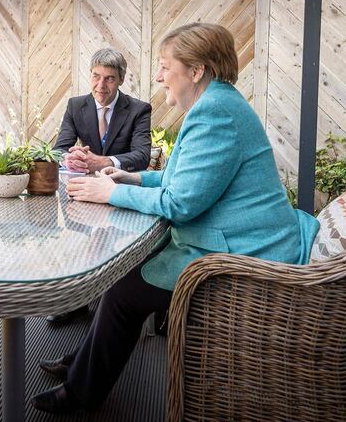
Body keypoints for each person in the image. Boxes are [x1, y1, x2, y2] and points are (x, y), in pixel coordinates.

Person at [31, 23, 320, 413]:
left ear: (196, 70)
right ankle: (82, 364)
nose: (160, 75)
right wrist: (131, 176)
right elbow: (180, 177)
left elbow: (181, 203)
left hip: (245, 254)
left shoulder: (215, 113)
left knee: (122, 290)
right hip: (247, 236)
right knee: (125, 273)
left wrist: (110, 192)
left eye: (166, 66)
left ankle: (80, 393)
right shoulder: (218, 103)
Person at [48, 47, 151, 325]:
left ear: (120, 80)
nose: (100, 86)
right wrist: (71, 157)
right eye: (96, 76)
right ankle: (77, 301)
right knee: (78, 244)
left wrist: (102, 162)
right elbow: (58, 150)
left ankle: (108, 305)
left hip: (120, 189)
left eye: (109, 79)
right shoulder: (75, 105)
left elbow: (141, 155)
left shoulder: (139, 110)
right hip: (81, 192)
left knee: (112, 249)